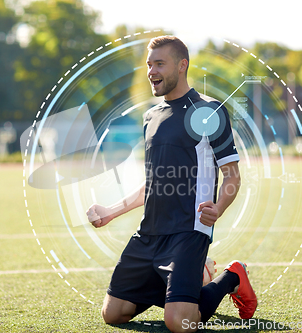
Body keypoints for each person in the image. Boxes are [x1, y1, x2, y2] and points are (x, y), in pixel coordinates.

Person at [86, 36, 257, 332]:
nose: (152, 71)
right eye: (149, 64)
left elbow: (232, 175)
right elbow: (152, 184)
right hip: (149, 232)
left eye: (159, 64)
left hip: (188, 232)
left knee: (180, 323)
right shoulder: (150, 116)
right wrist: (110, 212)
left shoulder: (209, 111)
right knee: (113, 314)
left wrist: (219, 207)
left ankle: (232, 276)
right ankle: (184, 283)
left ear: (182, 65)